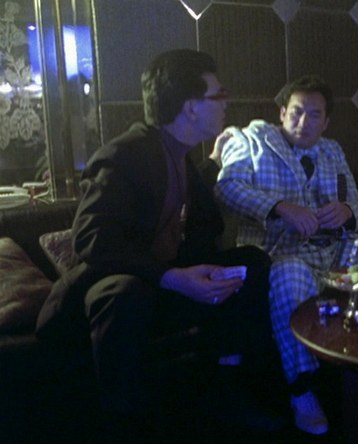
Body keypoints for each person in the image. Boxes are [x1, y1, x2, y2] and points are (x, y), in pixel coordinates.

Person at [34, 49, 278, 441]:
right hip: (107, 295)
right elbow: (92, 239)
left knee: (251, 263)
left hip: (158, 287)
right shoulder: (124, 154)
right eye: (219, 95)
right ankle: (124, 426)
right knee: (123, 293)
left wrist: (214, 166)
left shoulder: (179, 155)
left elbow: (190, 218)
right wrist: (173, 277)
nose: (226, 103)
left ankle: (229, 388)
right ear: (191, 107)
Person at [215, 74, 358, 435]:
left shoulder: (332, 150)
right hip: (277, 256)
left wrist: (347, 211)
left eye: (314, 115)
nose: (304, 122)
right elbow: (226, 188)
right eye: (297, 112)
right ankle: (302, 390)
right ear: (282, 112)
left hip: (332, 255)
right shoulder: (250, 140)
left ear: (326, 122)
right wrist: (279, 207)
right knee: (291, 274)